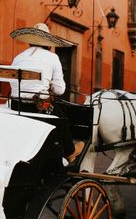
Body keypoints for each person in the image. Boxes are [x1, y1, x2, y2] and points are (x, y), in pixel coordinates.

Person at [9, 23, 84, 162]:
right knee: (61, 118)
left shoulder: (18, 57)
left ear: (30, 41)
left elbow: (12, 82)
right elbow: (60, 90)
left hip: (15, 105)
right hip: (36, 107)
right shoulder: (52, 58)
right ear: (48, 43)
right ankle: (70, 152)